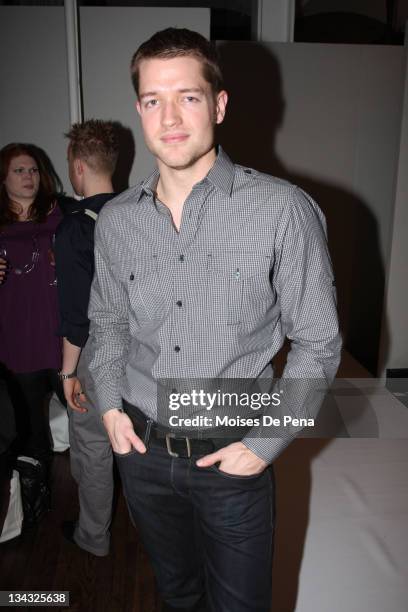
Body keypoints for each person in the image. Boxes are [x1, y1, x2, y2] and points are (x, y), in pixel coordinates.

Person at [87, 28, 342, 611]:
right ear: (139, 110)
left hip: (233, 453)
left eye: (189, 97)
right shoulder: (117, 220)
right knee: (177, 595)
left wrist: (265, 442)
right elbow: (107, 320)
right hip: (142, 454)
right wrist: (107, 404)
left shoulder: (282, 210)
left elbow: (319, 342)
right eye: (154, 100)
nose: (170, 117)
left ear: (219, 105)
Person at [54, 120, 119, 557]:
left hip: (97, 347)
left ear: (78, 167)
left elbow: (77, 315)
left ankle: (93, 536)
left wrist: (68, 371)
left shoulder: (77, 226)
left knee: (93, 443)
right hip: (145, 345)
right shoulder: (140, 209)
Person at [0, 142, 64, 468]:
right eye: (19, 170)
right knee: (31, 436)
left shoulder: (60, 214)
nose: (29, 176)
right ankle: (39, 501)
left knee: (89, 421)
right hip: (18, 344)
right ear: (3, 178)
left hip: (61, 342)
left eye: (34, 170)